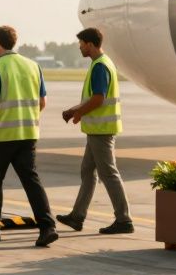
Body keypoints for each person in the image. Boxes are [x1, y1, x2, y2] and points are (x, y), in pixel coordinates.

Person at [0, 25, 59, 247]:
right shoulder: (33, 66)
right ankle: (47, 227)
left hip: (2, 136)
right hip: (28, 134)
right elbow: (42, 102)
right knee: (31, 181)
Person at [57, 27, 133, 234]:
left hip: (102, 129)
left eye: (81, 43)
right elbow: (93, 97)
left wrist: (79, 113)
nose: (79, 47)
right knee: (87, 171)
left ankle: (124, 219)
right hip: (97, 129)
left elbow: (99, 98)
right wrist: (75, 110)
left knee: (108, 172)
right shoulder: (101, 64)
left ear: (90, 44)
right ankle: (77, 216)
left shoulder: (100, 66)